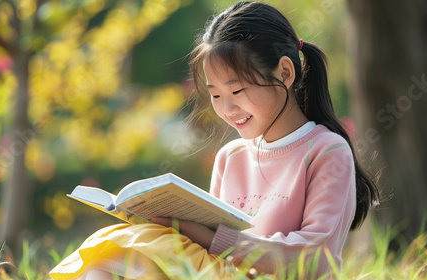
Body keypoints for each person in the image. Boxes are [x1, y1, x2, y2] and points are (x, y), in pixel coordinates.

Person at [50, 1, 380, 279]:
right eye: (216, 96)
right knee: (118, 250)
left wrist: (214, 239)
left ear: (284, 73)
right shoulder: (231, 156)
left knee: (142, 248)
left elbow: (315, 260)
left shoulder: (325, 151)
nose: (228, 108)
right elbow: (210, 254)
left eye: (236, 91)